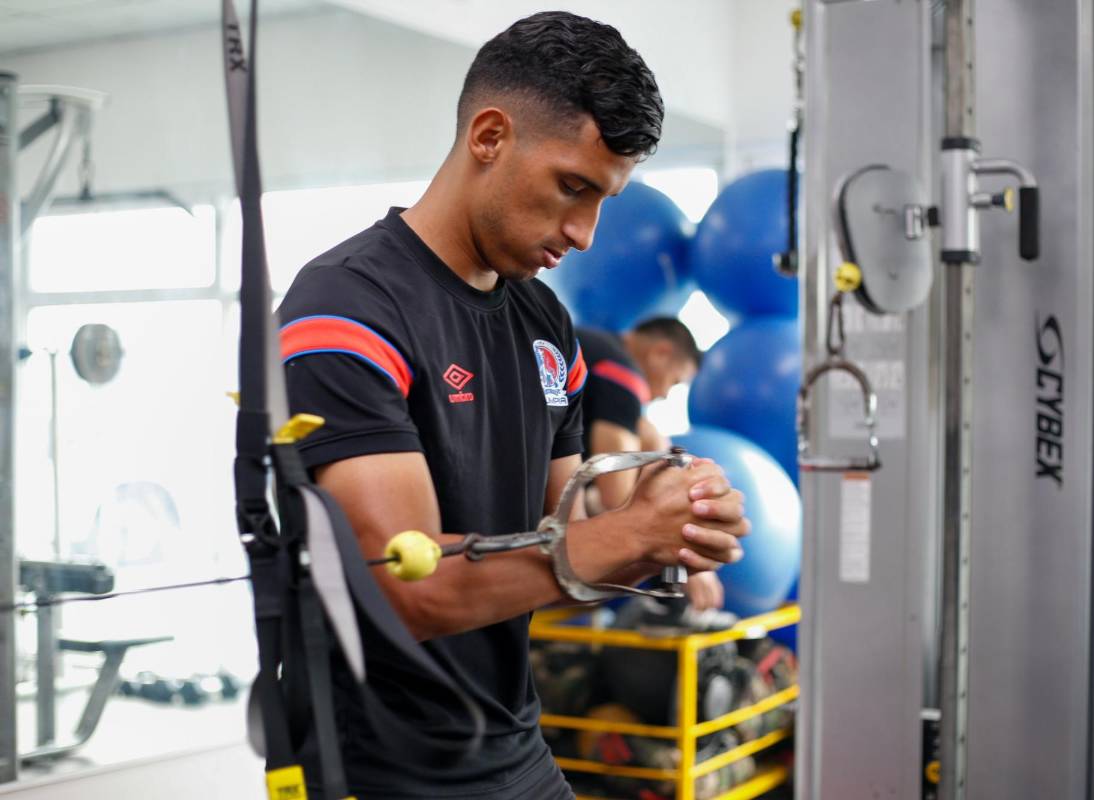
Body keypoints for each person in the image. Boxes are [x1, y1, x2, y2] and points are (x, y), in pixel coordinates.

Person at [275, 11, 750, 800]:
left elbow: (562, 534)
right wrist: (628, 534)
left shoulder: (544, 321)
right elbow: (408, 585)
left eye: (604, 199)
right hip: (380, 768)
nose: (587, 233)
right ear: (489, 137)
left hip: (511, 745)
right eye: (574, 187)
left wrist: (673, 523)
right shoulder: (345, 307)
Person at [576, 319, 725, 611]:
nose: (667, 394)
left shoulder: (590, 345)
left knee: (651, 435)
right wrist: (683, 557)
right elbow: (616, 501)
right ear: (660, 353)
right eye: (674, 381)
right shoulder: (621, 371)